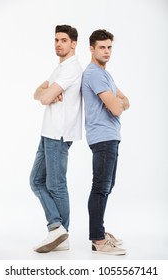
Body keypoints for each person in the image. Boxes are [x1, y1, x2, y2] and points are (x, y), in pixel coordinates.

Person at [30, 24, 82, 253]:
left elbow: (44, 97)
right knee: (36, 180)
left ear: (74, 43)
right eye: (56, 40)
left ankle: (60, 230)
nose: (58, 44)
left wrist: (47, 93)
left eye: (63, 40)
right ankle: (58, 230)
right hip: (47, 131)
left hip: (58, 133)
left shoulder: (71, 68)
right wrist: (47, 92)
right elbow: (38, 93)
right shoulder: (59, 68)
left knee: (56, 184)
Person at [81, 29, 130, 255]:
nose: (107, 51)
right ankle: (98, 240)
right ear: (91, 48)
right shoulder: (94, 74)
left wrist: (119, 104)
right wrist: (118, 104)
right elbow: (116, 106)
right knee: (100, 187)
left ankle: (99, 231)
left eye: (109, 47)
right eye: (102, 47)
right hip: (102, 137)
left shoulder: (105, 74)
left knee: (106, 186)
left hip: (110, 136)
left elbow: (125, 100)